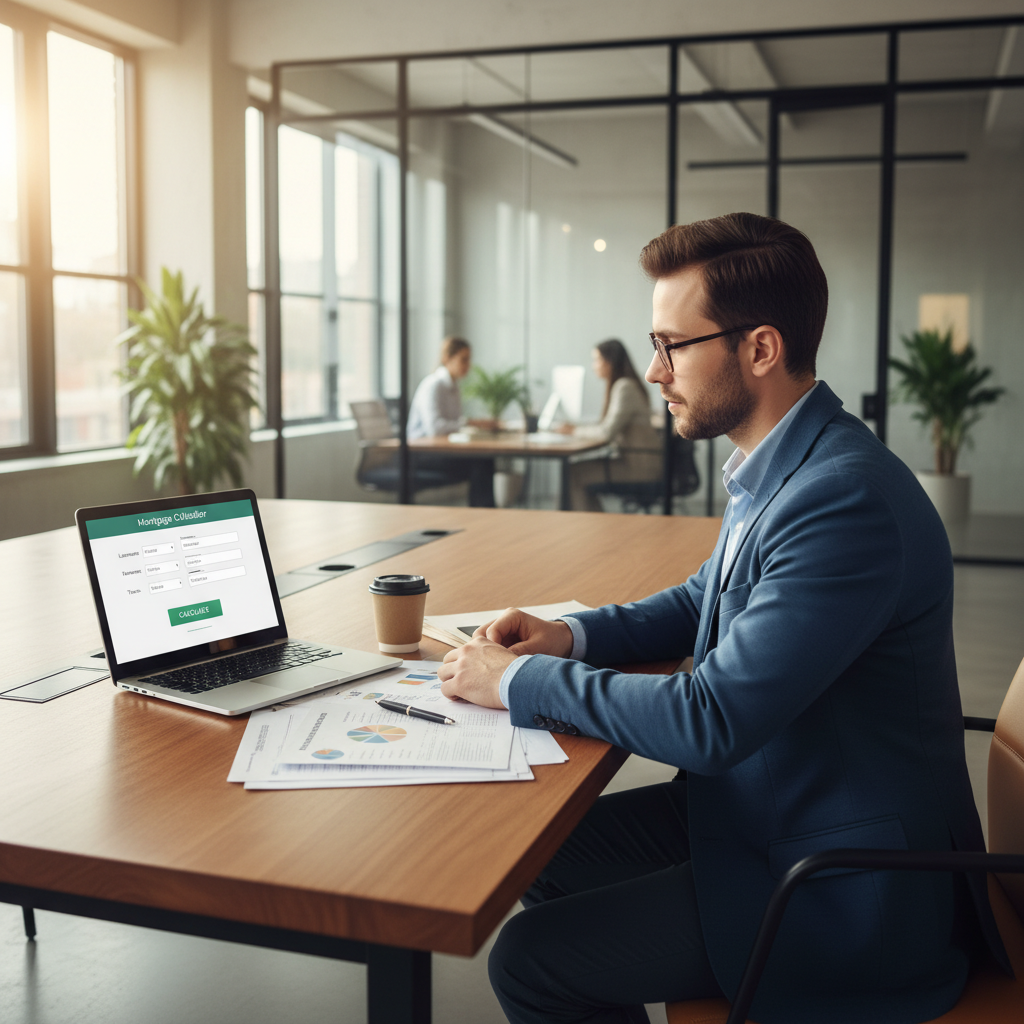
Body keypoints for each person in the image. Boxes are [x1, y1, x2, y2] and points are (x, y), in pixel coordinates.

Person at [436, 213, 1008, 1024]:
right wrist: (570, 636)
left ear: (760, 349)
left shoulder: (844, 498)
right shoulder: (786, 464)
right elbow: (705, 598)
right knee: (539, 853)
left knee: (533, 962)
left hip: (845, 881)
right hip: (765, 810)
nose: (655, 369)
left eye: (673, 345)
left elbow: (710, 721)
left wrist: (523, 680)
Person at [565, 339, 661, 511]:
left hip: (640, 467)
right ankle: (594, 527)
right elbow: (608, 424)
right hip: (637, 461)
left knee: (574, 473)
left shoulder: (625, 387)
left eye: (597, 360)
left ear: (610, 362)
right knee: (575, 471)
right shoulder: (625, 385)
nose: (594, 365)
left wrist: (573, 431)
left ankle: (590, 528)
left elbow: (606, 432)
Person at [407, 336, 494, 507]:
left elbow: (454, 423)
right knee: (480, 463)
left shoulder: (453, 387)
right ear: (447, 359)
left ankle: (485, 513)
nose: (468, 365)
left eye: (469, 360)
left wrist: (473, 424)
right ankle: (482, 513)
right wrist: (468, 423)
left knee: (485, 459)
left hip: (441, 449)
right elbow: (435, 428)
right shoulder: (433, 385)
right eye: (464, 359)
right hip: (422, 453)